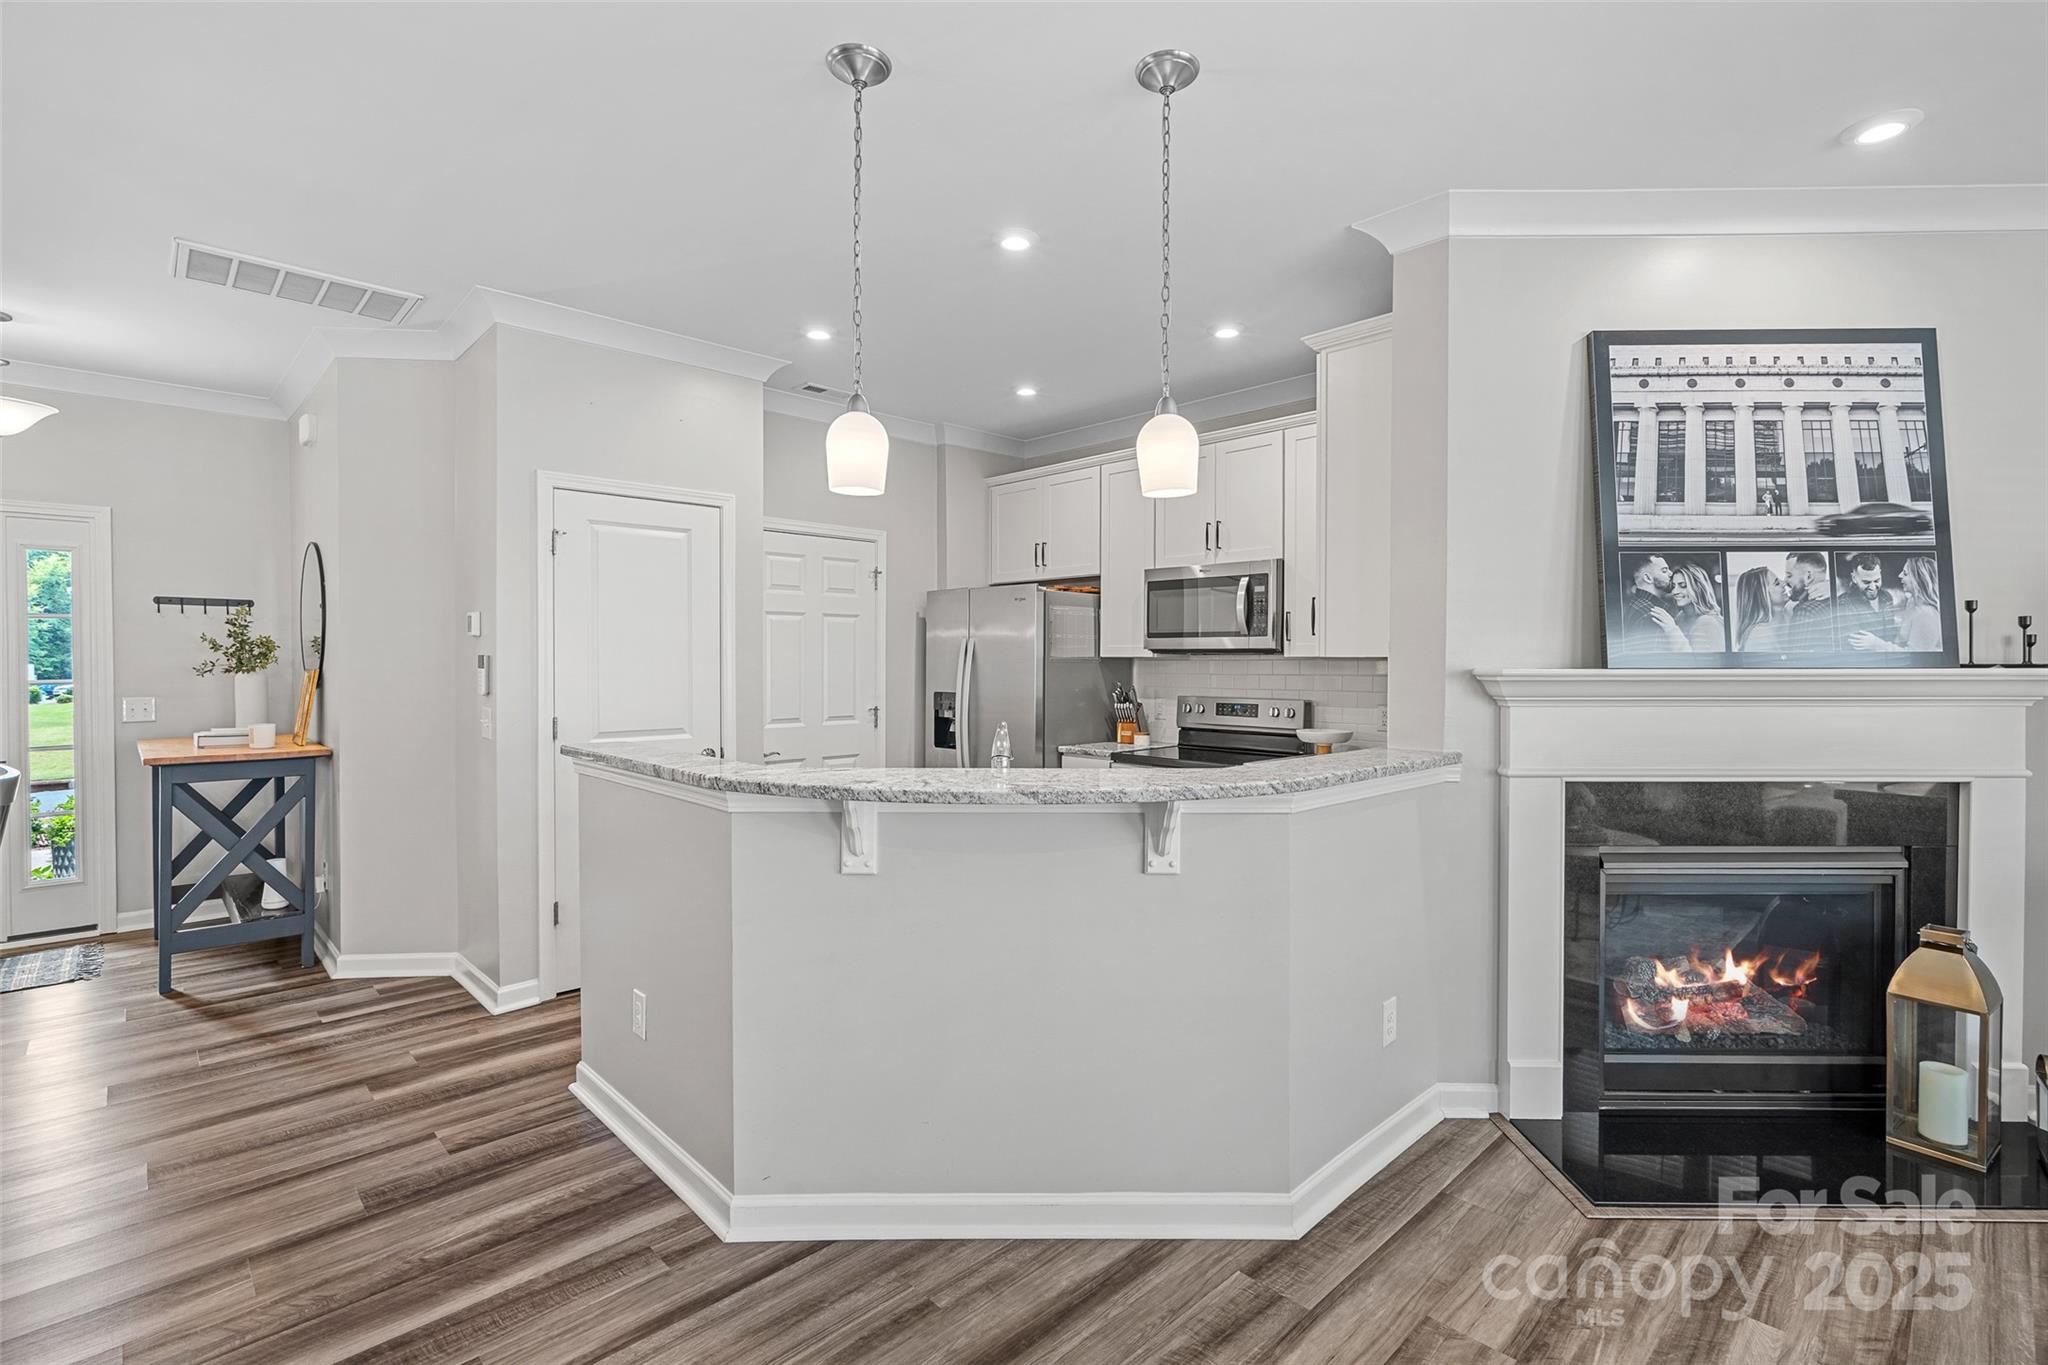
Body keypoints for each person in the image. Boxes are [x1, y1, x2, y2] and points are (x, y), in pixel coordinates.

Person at [1849, 556, 1944, 653]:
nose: (1900, 575)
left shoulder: (1927, 614)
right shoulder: (1912, 602)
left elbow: (1915, 657)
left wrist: (1876, 644)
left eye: (1905, 573)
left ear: (1918, 579)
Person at [1834, 552, 1900, 647]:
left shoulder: (1887, 597)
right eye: (1866, 582)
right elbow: (1857, 644)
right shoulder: (1844, 604)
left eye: (1877, 581)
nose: (1873, 587)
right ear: (1854, 578)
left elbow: (1891, 634)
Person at [1620, 554, 1677, 653]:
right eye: (1664, 570)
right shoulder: (1652, 615)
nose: (1671, 573)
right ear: (1648, 578)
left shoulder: (1637, 604)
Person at [1668, 563, 1727, 652]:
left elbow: (1697, 663)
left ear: (1698, 588)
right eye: (1673, 586)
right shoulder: (1680, 618)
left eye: (1683, 585)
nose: (1675, 592)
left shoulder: (1707, 622)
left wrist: (1671, 629)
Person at [1783, 551, 1835, 653]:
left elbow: (1796, 661)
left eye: (1789, 575)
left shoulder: (1805, 611)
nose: (1784, 581)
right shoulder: (1841, 600)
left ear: (1809, 577)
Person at [1734, 565, 1792, 652]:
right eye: (1777, 583)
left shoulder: (1790, 614)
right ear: (1762, 595)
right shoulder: (1759, 635)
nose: (1784, 583)